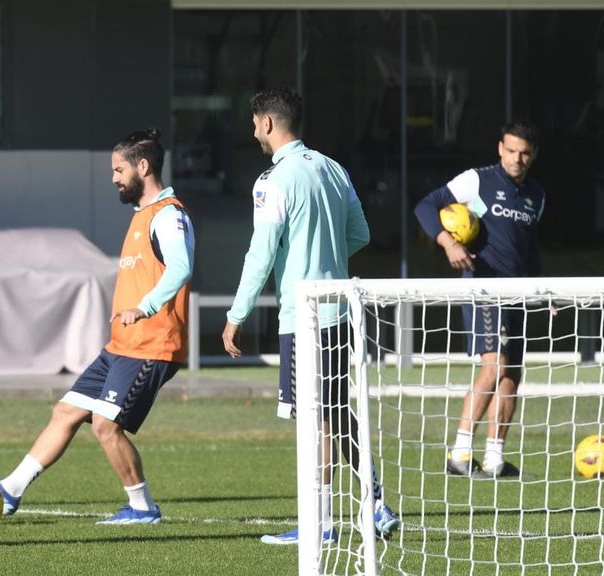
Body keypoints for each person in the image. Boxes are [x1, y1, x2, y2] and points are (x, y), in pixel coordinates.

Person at [0, 128, 194, 524]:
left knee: (105, 426)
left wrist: (143, 307)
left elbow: (181, 268)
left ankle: (144, 509)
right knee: (65, 411)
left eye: (119, 169)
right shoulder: (141, 217)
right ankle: (10, 490)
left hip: (152, 345)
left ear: (143, 166)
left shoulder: (169, 215)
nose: (113, 178)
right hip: (121, 346)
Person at [221, 87, 398, 545]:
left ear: (265, 123)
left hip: (304, 318)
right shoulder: (333, 169)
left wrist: (236, 314)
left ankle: (320, 524)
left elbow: (260, 255)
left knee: (315, 421)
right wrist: (326, 255)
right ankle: (376, 503)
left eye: (254, 122)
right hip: (340, 311)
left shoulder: (272, 181)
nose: (253, 130)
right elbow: (360, 232)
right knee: (337, 414)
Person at [414, 119, 545, 479]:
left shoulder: (537, 195)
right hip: (485, 289)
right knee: (494, 367)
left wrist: (544, 290)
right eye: (511, 150)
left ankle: (493, 459)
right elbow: (427, 206)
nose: (517, 158)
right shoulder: (477, 180)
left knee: (512, 376)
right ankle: (458, 453)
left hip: (518, 294)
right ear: (500, 147)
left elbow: (530, 251)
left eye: (525, 153)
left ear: (533, 156)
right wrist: (449, 242)